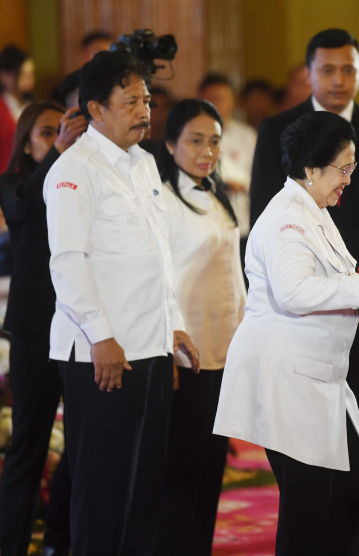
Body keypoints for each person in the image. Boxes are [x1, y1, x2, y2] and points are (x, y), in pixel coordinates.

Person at [214, 110, 359, 556]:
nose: (349, 178)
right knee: (309, 511)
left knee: (345, 494)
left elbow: (342, 282)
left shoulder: (314, 209)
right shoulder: (288, 218)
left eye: (352, 168)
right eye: (343, 169)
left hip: (318, 377)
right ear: (310, 169)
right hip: (287, 380)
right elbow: (294, 292)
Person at [43, 50, 199, 556]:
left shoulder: (145, 162)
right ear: (95, 109)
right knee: (103, 489)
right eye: (130, 100)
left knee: (144, 487)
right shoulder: (74, 170)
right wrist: (100, 336)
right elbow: (68, 262)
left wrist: (171, 323)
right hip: (101, 352)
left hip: (148, 346)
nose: (144, 110)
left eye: (147, 99)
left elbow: (159, 253)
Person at [151, 98, 245, 555]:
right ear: (170, 144)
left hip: (225, 349)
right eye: (195, 140)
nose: (207, 150)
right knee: (181, 467)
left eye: (214, 141)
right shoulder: (161, 200)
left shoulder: (215, 192)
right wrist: (168, 338)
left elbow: (233, 276)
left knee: (211, 466)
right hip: (186, 350)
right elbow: (159, 276)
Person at [0, 101, 86, 556]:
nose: (59, 137)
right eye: (46, 133)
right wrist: (60, 150)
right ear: (28, 143)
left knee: (81, 447)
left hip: (80, 327)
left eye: (65, 129)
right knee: (28, 447)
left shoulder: (84, 182)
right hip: (35, 332)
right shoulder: (14, 184)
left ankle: (60, 541)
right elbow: (27, 205)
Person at [199, 73, 256, 244]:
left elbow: (262, 179)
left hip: (243, 224)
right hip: (206, 226)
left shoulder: (248, 136)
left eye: (223, 99)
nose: (218, 105)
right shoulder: (192, 137)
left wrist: (242, 185)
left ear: (233, 101)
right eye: (212, 99)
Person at [0, 46, 36, 171]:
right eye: (23, 74)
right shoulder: (2, 107)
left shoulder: (32, 105)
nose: (29, 79)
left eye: (31, 74)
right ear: (5, 75)